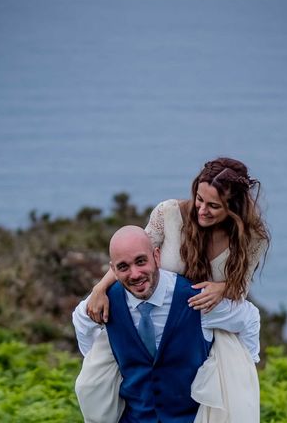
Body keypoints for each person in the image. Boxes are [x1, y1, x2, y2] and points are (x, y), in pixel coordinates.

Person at [80, 157, 269, 422]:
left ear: (234, 206)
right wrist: (100, 288)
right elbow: (138, 256)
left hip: (198, 325)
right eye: (199, 199)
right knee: (93, 387)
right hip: (151, 311)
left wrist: (222, 288)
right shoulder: (168, 213)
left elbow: (241, 287)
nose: (202, 210)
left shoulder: (252, 238)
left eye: (214, 205)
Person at [73, 226, 261, 423]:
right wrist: (98, 365)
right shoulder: (107, 301)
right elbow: (81, 320)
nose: (135, 274)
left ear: (156, 256)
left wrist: (244, 371)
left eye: (140, 261)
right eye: (123, 267)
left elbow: (249, 318)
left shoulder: (195, 300)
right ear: (113, 270)